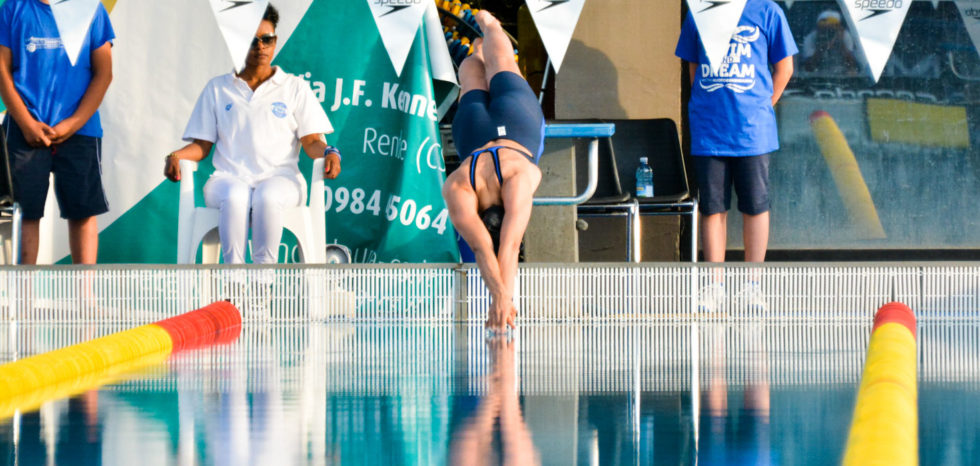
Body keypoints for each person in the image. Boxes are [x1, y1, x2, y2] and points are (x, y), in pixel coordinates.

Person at [164, 4, 340, 265]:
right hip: (227, 179)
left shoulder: (294, 88)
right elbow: (201, 145)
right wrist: (176, 155)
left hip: (283, 180)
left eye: (266, 39)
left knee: (266, 196)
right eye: (252, 40)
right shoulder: (218, 88)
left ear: (275, 41)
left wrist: (329, 152)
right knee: (236, 195)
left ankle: (260, 289)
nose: (260, 47)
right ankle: (235, 287)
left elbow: (312, 141)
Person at [675, 0, 797, 310]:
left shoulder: (768, 11)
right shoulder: (699, 11)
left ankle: (752, 287)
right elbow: (692, 66)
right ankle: (715, 286)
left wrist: (762, 106)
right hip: (710, 130)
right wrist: (707, 106)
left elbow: (785, 67)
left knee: (756, 206)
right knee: (712, 207)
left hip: (753, 131)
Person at [442, 10, 544, 331]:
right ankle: (482, 35)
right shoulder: (458, 185)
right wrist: (500, 296)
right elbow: (484, 247)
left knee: (501, 62)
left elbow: (506, 246)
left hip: (519, 126)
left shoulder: (521, 180)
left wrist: (503, 297)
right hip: (473, 133)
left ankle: (490, 25)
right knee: (473, 70)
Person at [0, 0, 114, 264]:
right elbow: (2, 70)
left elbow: (104, 72)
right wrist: (26, 123)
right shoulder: (13, 8)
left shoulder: (90, 9)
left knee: (82, 212)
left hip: (81, 130)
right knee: (25, 212)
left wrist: (73, 123)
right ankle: (22, 300)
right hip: (24, 129)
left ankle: (85, 300)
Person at [800, 10, 861, 76]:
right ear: (818, 28)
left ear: (838, 28)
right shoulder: (811, 38)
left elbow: (852, 65)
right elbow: (808, 68)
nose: (827, 32)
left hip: (842, 77)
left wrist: (841, 43)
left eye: (831, 29)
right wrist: (821, 49)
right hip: (817, 76)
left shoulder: (845, 36)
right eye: (824, 28)